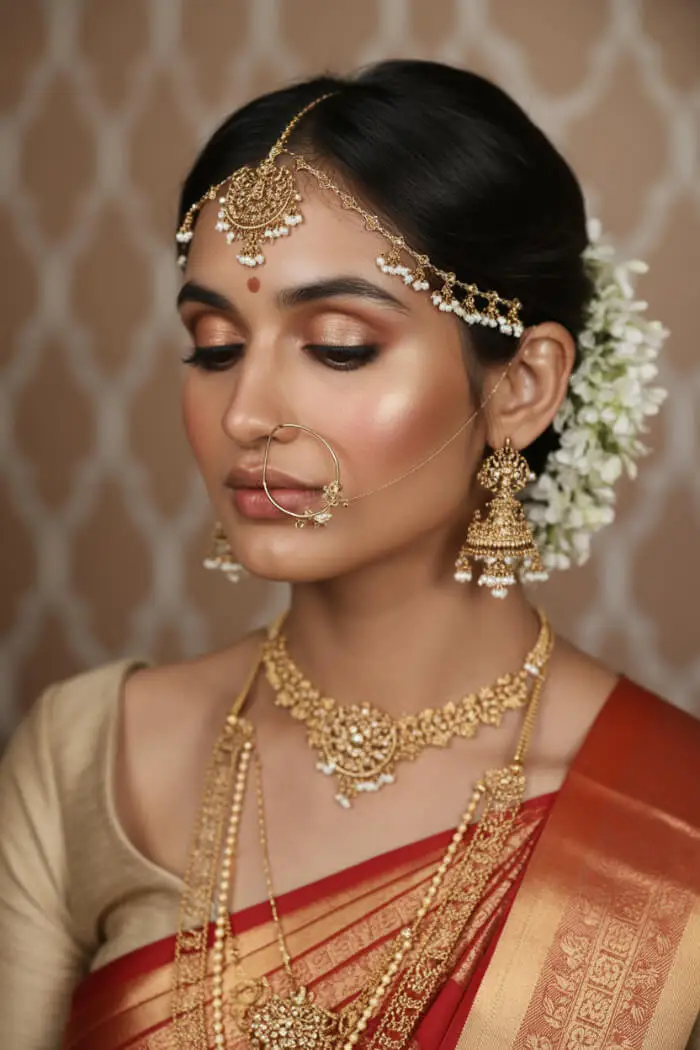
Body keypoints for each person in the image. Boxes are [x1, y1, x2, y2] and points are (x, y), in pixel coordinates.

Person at [0, 59, 698, 1050]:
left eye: (335, 345)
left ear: (521, 388)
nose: (244, 413)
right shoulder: (90, 759)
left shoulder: (673, 823)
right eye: (213, 345)